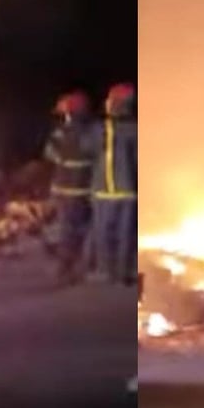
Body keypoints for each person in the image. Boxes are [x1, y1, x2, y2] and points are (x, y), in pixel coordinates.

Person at [86, 82, 137, 285]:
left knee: (104, 232)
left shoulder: (100, 129)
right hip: (129, 191)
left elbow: (86, 148)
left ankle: (105, 270)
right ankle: (123, 271)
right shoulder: (135, 129)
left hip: (104, 191)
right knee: (125, 234)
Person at [43, 91, 94, 284]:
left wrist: (63, 159)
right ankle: (76, 266)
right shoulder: (92, 132)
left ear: (69, 113)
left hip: (62, 189)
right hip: (83, 189)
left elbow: (49, 153)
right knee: (79, 229)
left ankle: (65, 268)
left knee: (66, 229)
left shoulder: (60, 133)